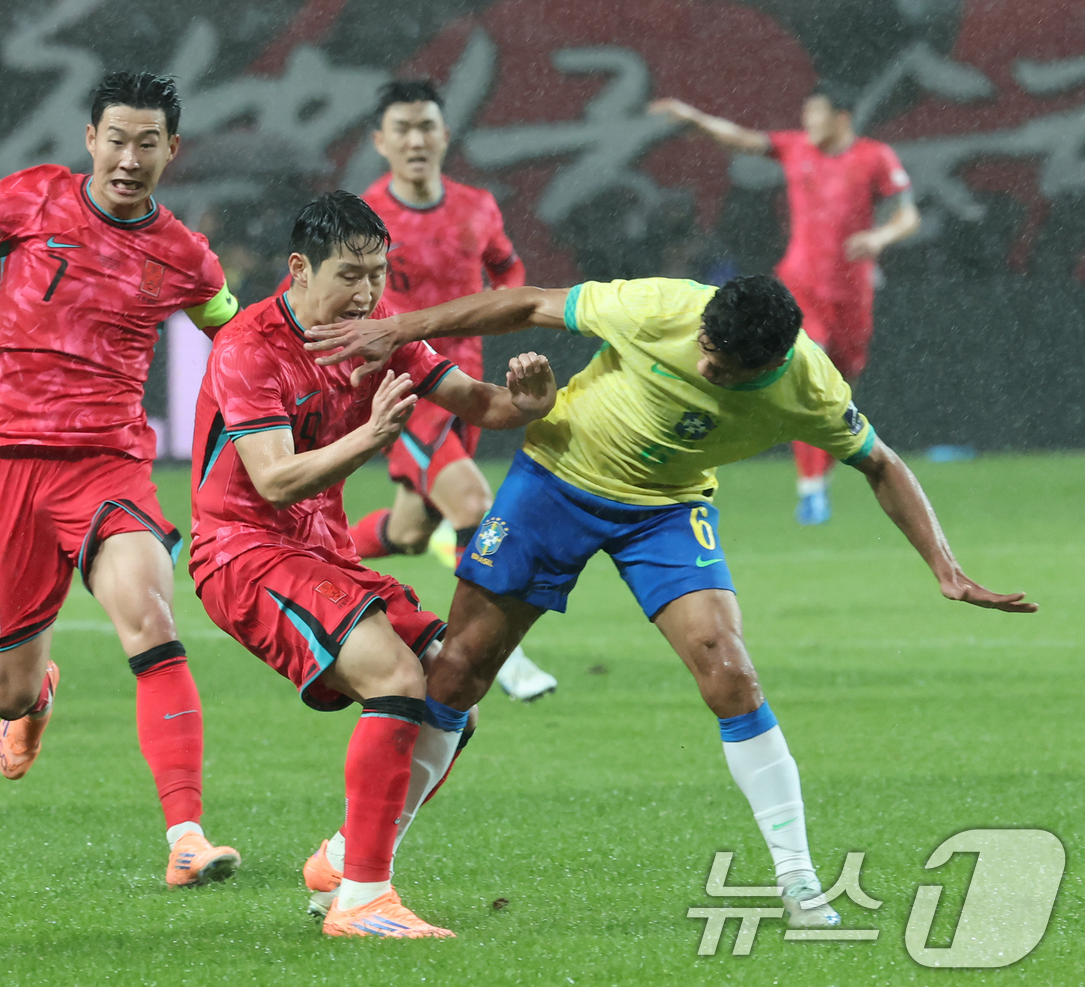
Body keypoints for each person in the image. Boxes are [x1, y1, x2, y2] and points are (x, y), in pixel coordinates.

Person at [306, 274, 1035, 928]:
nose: (705, 361)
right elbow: (530, 302)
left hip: (666, 508)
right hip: (556, 476)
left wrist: (945, 566)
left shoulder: (809, 385)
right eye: (705, 347)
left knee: (731, 670)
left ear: (772, 362)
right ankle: (353, 857)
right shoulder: (663, 308)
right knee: (459, 672)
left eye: (723, 366)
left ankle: (799, 882)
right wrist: (402, 327)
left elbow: (879, 462)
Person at [0, 71, 242, 887]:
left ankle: (186, 833)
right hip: (4, 466)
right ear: (90, 140)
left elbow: (239, 336)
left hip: (107, 466)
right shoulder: (32, 199)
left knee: (150, 617)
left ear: (171, 151)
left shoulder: (184, 254)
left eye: (149, 143)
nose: (129, 157)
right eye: (116, 138)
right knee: (2, 689)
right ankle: (35, 698)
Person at [190, 191, 555, 937]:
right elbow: (273, 480)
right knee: (396, 677)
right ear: (299, 268)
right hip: (243, 551)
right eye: (351, 274)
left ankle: (348, 858)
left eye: (378, 274)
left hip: (324, 552)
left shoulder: (378, 336)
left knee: (457, 686)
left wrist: (530, 404)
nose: (367, 292)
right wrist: (374, 437)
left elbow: (478, 402)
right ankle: (361, 899)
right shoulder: (248, 345)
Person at [349, 78, 558, 701]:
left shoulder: (477, 205)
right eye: (403, 129)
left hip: (467, 385)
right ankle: (491, 656)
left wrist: (505, 305)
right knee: (473, 505)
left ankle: (311, 550)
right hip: (407, 387)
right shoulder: (365, 216)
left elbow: (507, 268)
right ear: (380, 140)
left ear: (444, 134)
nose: (416, 139)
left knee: (411, 532)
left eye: (427, 127)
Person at [649, 82, 921, 525]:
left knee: (840, 387)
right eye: (806, 114)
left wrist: (879, 236)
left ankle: (820, 475)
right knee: (805, 372)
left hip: (853, 293)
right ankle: (809, 488)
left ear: (842, 118)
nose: (808, 123)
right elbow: (739, 137)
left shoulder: (875, 157)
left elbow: (909, 214)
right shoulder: (795, 148)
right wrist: (696, 119)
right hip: (799, 289)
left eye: (817, 114)